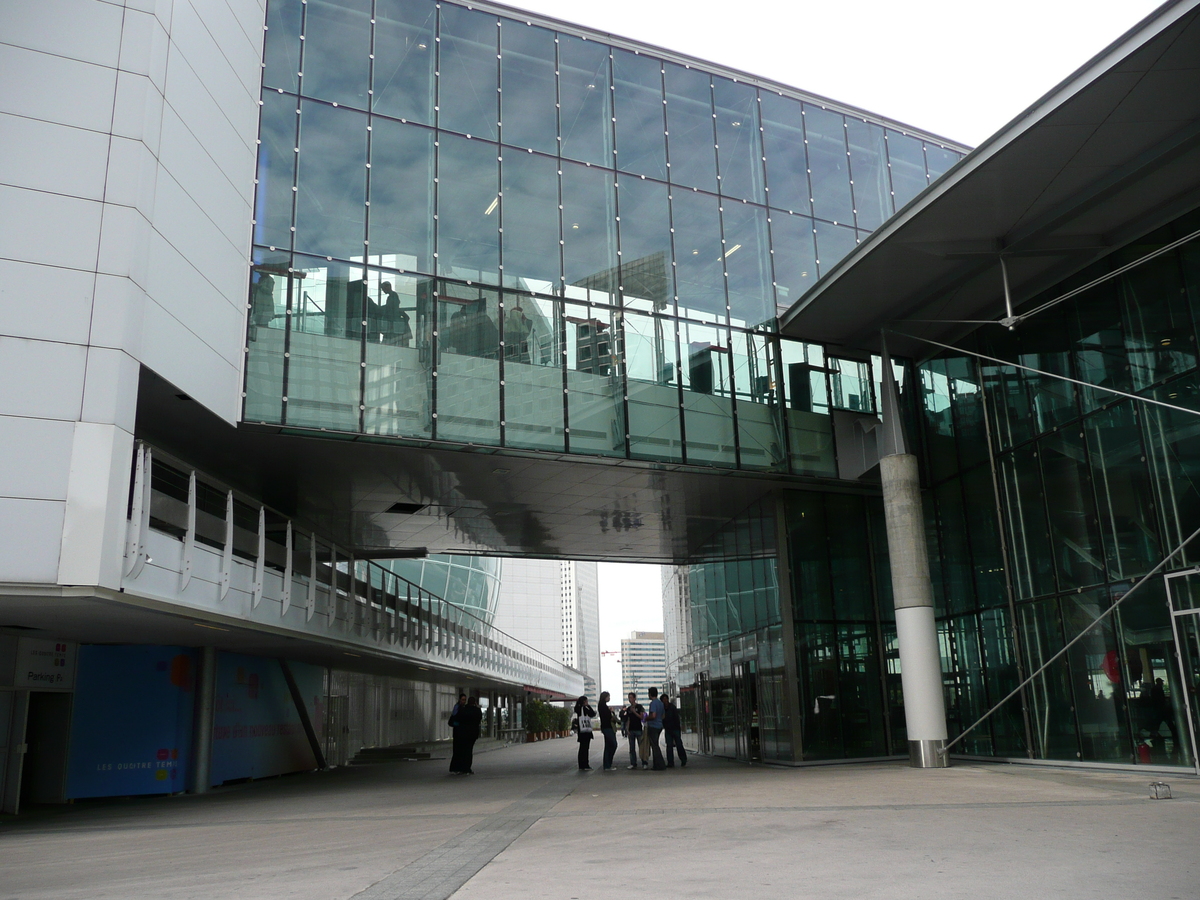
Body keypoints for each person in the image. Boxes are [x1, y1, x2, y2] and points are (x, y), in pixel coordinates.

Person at [450, 695, 482, 774]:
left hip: (462, 734)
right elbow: (479, 719)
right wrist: (478, 707)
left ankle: (459, 767)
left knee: (462, 751)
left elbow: (457, 719)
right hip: (472, 734)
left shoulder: (463, 709)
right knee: (469, 751)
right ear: (475, 702)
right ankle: (467, 767)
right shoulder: (477, 711)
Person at [661, 692, 687, 768]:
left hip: (675, 728)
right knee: (669, 746)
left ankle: (683, 759)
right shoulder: (663, 709)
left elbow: (676, 718)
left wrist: (678, 727)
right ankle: (670, 762)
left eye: (666, 699)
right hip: (668, 729)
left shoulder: (672, 707)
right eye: (663, 700)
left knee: (679, 744)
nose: (665, 701)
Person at [620, 692, 645, 770]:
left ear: (634, 698)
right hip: (631, 729)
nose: (630, 699)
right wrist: (627, 729)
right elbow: (628, 719)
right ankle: (633, 763)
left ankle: (644, 762)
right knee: (632, 748)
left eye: (631, 697)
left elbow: (642, 717)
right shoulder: (628, 709)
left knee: (641, 746)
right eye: (629, 697)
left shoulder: (639, 707)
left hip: (638, 729)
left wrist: (634, 712)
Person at [646, 686, 667, 770]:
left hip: (653, 726)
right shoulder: (660, 703)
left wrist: (646, 718)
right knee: (655, 745)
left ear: (650, 694)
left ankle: (660, 764)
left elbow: (653, 715)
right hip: (659, 725)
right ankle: (656, 765)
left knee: (654, 746)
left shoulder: (653, 703)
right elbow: (663, 715)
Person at [448, 693, 469, 774]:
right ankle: (456, 767)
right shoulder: (457, 708)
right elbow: (454, 718)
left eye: (465, 700)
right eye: (463, 700)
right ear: (460, 700)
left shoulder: (461, 707)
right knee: (457, 750)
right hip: (458, 732)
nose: (464, 701)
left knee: (459, 751)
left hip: (460, 731)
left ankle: (457, 767)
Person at [597, 691, 619, 770]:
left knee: (608, 746)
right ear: (605, 697)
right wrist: (611, 712)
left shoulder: (601, 705)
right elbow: (609, 717)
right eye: (608, 697)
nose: (609, 698)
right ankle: (608, 763)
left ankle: (607, 764)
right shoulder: (603, 706)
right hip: (608, 727)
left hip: (605, 727)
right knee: (613, 744)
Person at [574, 696, 595, 770]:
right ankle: (585, 764)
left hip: (581, 730)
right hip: (586, 731)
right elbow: (592, 714)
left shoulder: (577, 708)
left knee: (582, 748)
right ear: (584, 701)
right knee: (585, 748)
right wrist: (588, 706)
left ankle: (581, 764)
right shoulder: (585, 708)